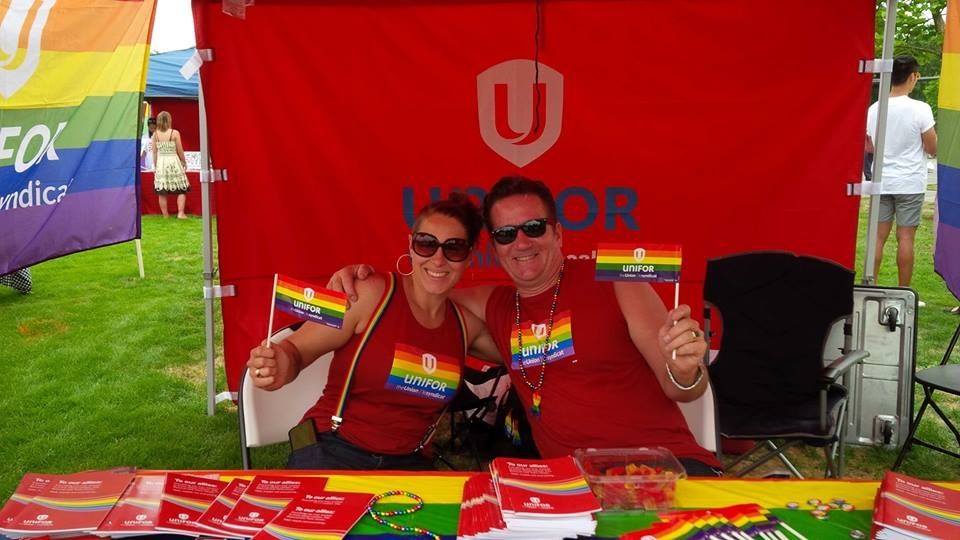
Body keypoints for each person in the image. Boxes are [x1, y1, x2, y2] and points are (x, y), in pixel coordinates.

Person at [331, 176, 722, 476]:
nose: (520, 242)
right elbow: (421, 291)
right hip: (569, 484)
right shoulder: (495, 306)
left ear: (557, 232)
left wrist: (687, 370)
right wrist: (368, 281)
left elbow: (681, 386)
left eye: (533, 228)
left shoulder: (616, 280)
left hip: (659, 470)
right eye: (505, 234)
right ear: (495, 248)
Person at [246, 194, 500, 470]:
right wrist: (277, 365)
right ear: (411, 246)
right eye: (426, 244)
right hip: (334, 449)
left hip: (411, 462)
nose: (438, 259)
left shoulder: (465, 328)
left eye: (454, 248)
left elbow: (523, 358)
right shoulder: (370, 292)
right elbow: (295, 351)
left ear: (470, 256)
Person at [866, 55, 938, 295]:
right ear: (914, 76)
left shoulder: (875, 109)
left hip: (881, 181)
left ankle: (870, 287)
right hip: (910, 182)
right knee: (905, 237)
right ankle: (903, 292)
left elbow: (869, 147)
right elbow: (932, 147)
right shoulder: (921, 109)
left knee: (877, 237)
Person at [152, 111, 190, 219]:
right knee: (181, 188)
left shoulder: (155, 135)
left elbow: (154, 152)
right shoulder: (175, 133)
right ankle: (180, 213)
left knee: (162, 191)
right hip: (173, 161)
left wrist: (155, 166)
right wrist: (184, 161)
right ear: (169, 120)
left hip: (162, 162)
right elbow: (180, 150)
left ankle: (165, 215)